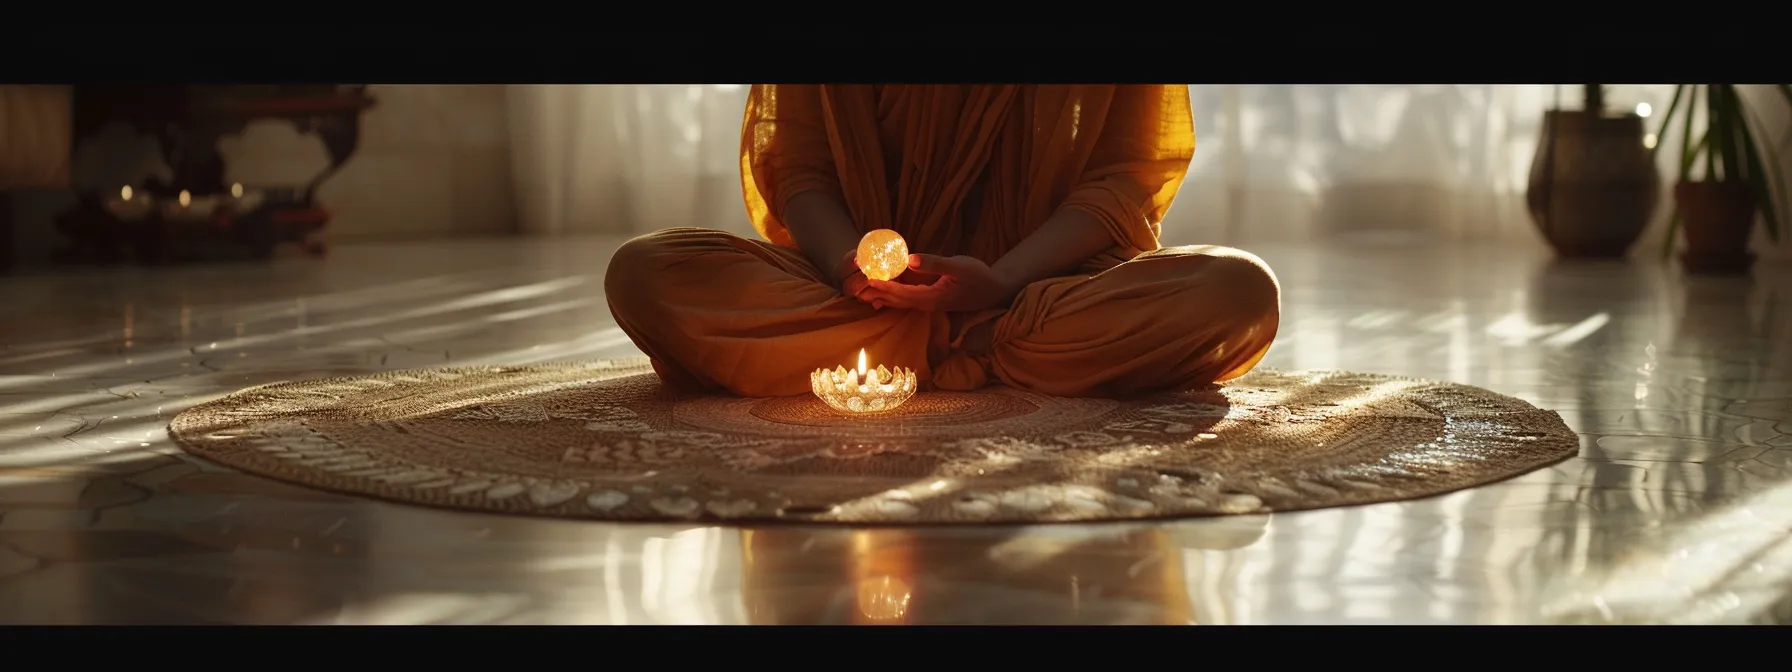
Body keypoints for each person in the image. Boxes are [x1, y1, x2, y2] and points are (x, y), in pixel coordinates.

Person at [605, 85, 1280, 398]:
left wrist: (1001, 279)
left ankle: (932, 348)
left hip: (1039, 287)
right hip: (862, 292)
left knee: (1237, 291)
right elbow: (801, 172)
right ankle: (980, 349)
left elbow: (1122, 182)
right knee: (646, 271)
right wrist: (848, 265)